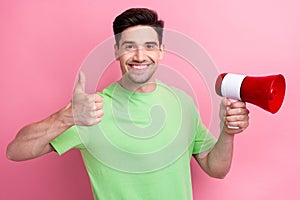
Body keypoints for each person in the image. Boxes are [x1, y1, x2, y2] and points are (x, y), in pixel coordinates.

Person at [6, 8, 249, 200]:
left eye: (149, 46)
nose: (140, 56)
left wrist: (227, 132)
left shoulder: (182, 102)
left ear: (161, 51)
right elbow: (14, 151)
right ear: (116, 51)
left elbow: (215, 168)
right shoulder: (91, 110)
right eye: (129, 46)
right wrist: (66, 117)